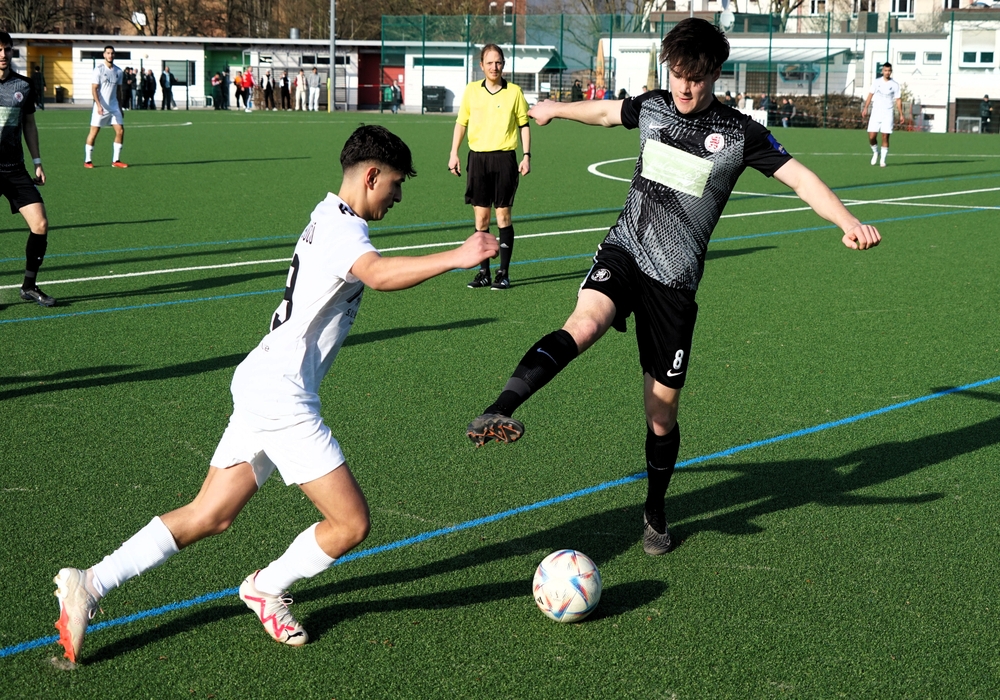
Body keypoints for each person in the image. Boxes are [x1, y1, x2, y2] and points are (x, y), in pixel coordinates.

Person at [52, 124, 499, 665]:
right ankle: (265, 587)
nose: (398, 196)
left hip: (263, 380)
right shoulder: (342, 230)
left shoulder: (328, 215)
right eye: (396, 184)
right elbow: (378, 275)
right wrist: (455, 256)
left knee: (211, 513)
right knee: (351, 523)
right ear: (371, 176)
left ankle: (91, 582)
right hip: (282, 395)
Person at [464, 18, 881, 557]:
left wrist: (847, 221)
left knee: (661, 416)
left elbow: (799, 177)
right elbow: (607, 112)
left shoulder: (740, 134)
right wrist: (555, 109)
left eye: (696, 78)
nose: (685, 87)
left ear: (715, 74)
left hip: (674, 283)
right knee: (583, 324)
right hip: (625, 250)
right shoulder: (654, 106)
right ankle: (500, 407)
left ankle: (655, 511)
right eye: (678, 75)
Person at [448, 43, 531, 291]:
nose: (495, 67)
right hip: (478, 160)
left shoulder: (514, 92)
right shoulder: (471, 91)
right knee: (481, 217)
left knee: (503, 216)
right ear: (481, 65)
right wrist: (454, 153)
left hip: (505, 159)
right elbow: (461, 123)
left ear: (503, 64)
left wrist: (526, 155)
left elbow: (524, 124)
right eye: (490, 63)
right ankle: (483, 272)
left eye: (499, 62)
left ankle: (503, 273)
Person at [0, 32, 55, 308]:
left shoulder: (24, 85)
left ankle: (29, 286)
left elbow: (29, 125)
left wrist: (37, 161)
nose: (3, 55)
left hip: (15, 169)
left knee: (40, 224)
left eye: (7, 49)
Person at [85, 46, 127, 169]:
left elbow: (119, 91)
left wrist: (120, 107)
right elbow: (94, 89)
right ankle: (88, 161)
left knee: (120, 131)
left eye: (112, 53)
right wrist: (98, 105)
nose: (110, 55)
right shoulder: (98, 69)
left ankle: (116, 160)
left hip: (114, 107)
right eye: (108, 53)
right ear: (104, 55)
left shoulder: (119, 71)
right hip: (101, 107)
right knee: (94, 133)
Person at [861, 63, 901, 168]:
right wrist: (865, 107)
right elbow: (870, 94)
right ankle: (875, 152)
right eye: (885, 70)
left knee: (885, 136)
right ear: (882, 71)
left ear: (891, 71)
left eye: (889, 70)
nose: (887, 72)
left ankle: (883, 160)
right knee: (872, 137)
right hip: (876, 112)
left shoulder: (895, 85)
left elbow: (898, 99)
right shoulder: (876, 82)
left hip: (888, 113)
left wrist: (901, 114)